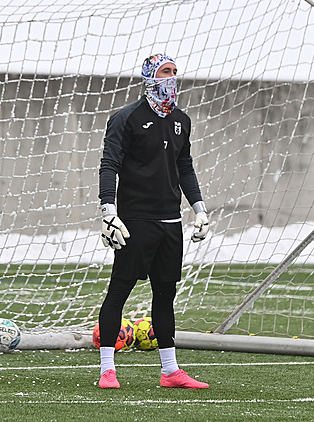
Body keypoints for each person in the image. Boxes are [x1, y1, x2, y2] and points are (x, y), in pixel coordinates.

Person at [97, 53, 210, 389]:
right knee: (119, 289)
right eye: (165, 71)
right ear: (149, 77)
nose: (172, 77)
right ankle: (107, 369)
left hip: (170, 222)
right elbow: (109, 164)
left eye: (175, 71)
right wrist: (108, 211)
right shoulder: (126, 118)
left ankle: (170, 371)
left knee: (165, 294)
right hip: (135, 221)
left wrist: (199, 208)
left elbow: (185, 167)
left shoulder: (181, 120)